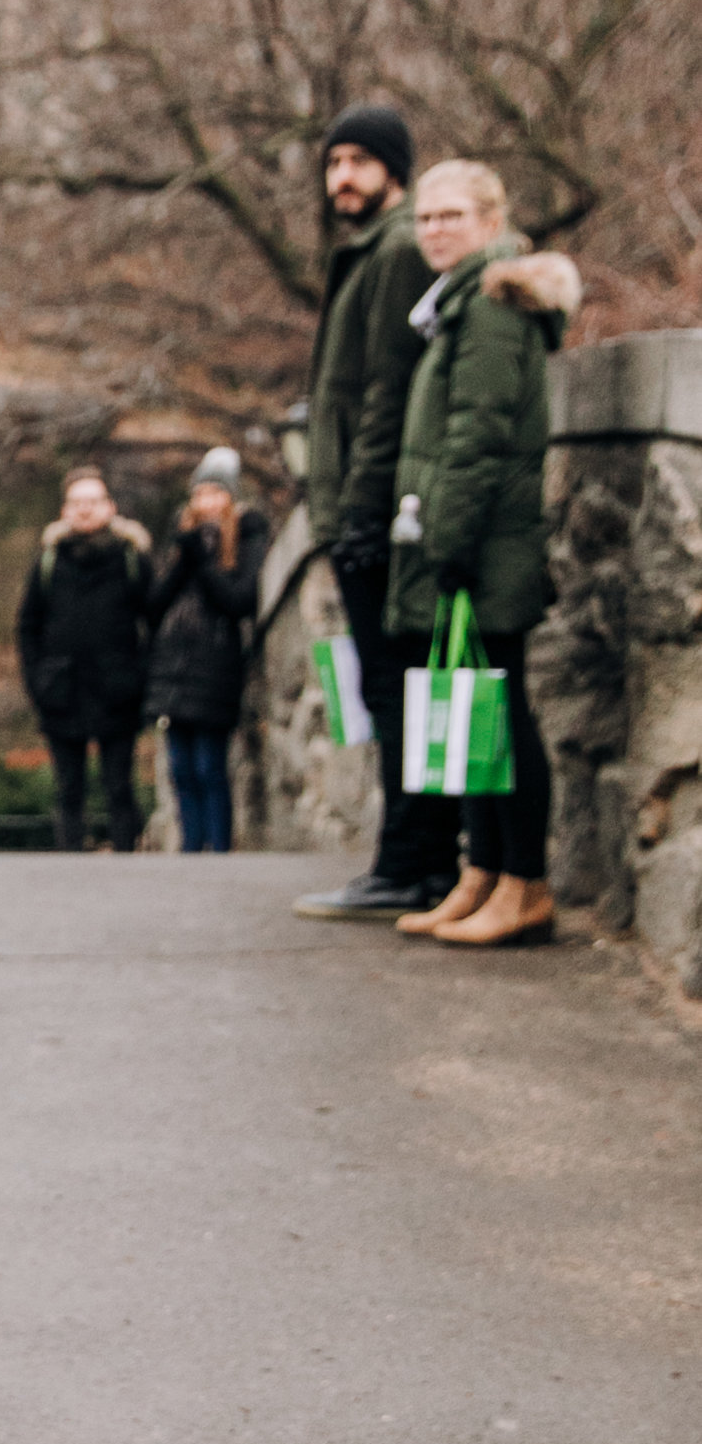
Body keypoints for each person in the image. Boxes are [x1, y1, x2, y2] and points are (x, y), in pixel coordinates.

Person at [385, 161, 579, 952]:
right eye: (426, 216)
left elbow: (478, 436)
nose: (435, 229)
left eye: (453, 215)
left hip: (486, 541)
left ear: (492, 221)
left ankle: (524, 884)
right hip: (470, 538)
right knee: (477, 715)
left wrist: (451, 544)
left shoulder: (493, 309)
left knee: (503, 715)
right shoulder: (458, 303)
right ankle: (483, 874)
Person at [291, 103, 463, 921]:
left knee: (399, 690)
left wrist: (360, 509)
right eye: (334, 164)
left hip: (379, 514)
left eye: (359, 162)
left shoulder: (394, 250)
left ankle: (410, 861)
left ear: (393, 170)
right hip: (364, 508)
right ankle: (417, 859)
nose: (343, 178)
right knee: (399, 688)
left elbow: (386, 392)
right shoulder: (364, 252)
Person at [16, 468, 152, 851]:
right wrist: (38, 680)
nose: (85, 510)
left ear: (110, 507)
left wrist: (140, 677)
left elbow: (153, 622)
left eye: (92, 502)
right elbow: (28, 627)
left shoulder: (132, 559)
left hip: (118, 689)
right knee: (68, 788)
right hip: (62, 690)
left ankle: (128, 860)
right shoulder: (48, 561)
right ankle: (69, 867)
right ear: (64, 510)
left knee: (120, 785)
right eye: (77, 503)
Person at [146, 448, 271, 852]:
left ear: (231, 497)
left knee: (209, 766)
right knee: (181, 768)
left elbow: (238, 601)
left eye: (216, 494)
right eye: (201, 494)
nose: (207, 503)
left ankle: (217, 850)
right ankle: (190, 846)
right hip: (173, 665)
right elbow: (154, 605)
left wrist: (204, 564)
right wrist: (184, 560)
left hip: (216, 664)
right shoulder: (181, 538)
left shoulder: (246, 534)